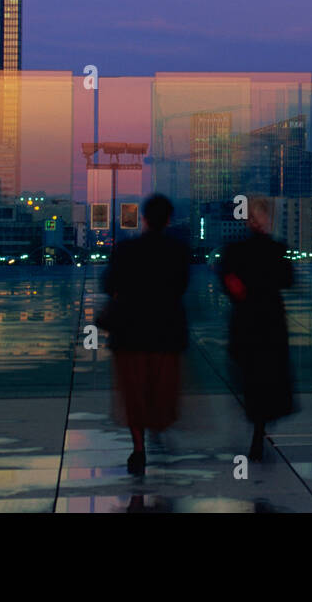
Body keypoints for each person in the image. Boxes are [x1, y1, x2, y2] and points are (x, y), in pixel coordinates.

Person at [99, 194, 190, 476]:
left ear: (144, 219)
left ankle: (139, 448)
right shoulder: (177, 251)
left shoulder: (126, 250)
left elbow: (109, 283)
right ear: (169, 220)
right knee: (160, 389)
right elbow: (180, 288)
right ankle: (158, 428)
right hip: (165, 334)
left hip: (130, 334)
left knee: (134, 393)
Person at [219, 197, 295, 461]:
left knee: (249, 373)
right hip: (270, 321)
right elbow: (289, 280)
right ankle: (261, 423)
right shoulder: (276, 250)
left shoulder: (235, 251)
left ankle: (257, 420)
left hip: (246, 321)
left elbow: (225, 278)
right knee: (268, 374)